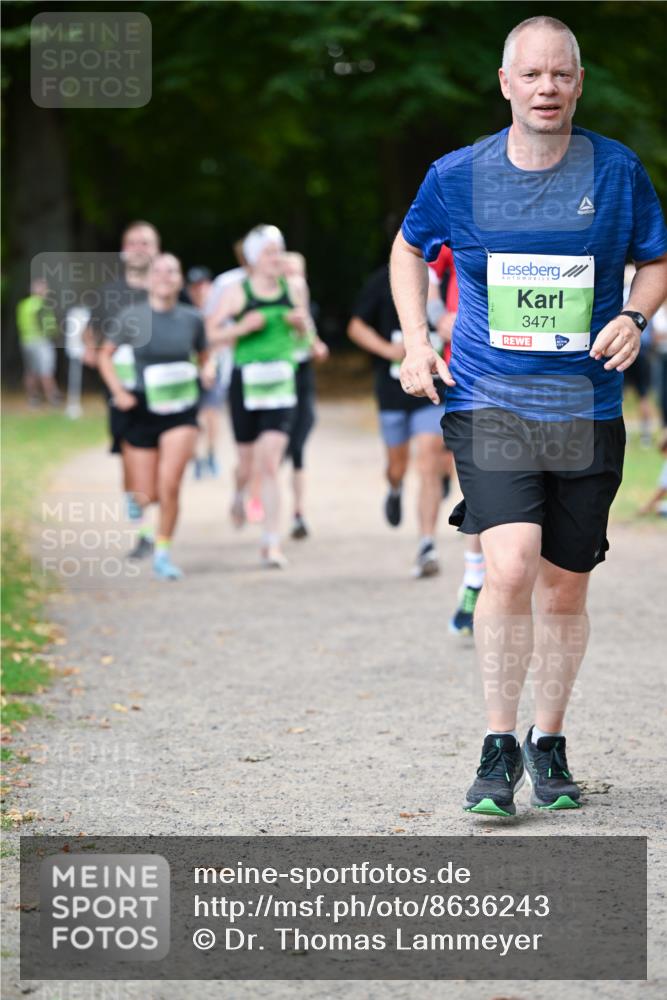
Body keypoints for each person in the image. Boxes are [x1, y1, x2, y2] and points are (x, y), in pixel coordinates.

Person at [391, 15, 667, 815]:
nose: (546, 87)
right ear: (505, 83)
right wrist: (416, 342)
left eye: (560, 74)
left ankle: (548, 741)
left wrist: (635, 316)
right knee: (509, 565)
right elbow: (409, 248)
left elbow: (654, 260)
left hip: (585, 406)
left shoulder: (615, 171)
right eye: (532, 74)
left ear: (577, 83)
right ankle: (496, 746)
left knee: (563, 589)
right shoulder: (456, 174)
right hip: (490, 400)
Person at [205, 225, 311, 568]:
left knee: (270, 463)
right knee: (247, 463)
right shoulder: (237, 292)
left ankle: (271, 542)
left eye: (278, 250)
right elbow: (210, 332)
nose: (276, 257)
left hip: (281, 382)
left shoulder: (293, 287)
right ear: (252, 258)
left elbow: (306, 332)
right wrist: (242, 327)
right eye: (268, 252)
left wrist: (301, 326)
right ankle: (238, 492)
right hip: (246, 382)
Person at [98, 254, 207, 580]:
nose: (164, 277)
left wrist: (209, 369)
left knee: (169, 485)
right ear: (147, 280)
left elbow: (205, 355)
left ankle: (162, 553)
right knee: (147, 494)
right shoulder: (132, 316)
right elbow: (105, 356)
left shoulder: (192, 318)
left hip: (180, 409)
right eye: (158, 271)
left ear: (180, 279)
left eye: (171, 271)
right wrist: (119, 392)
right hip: (141, 408)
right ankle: (137, 506)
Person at [348, 265, 446, 578]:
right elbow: (356, 326)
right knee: (397, 466)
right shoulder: (384, 279)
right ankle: (394, 487)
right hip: (393, 391)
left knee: (429, 459)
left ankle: (427, 544)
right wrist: (387, 349)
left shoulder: (449, 277)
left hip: (434, 392)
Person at [87, 220, 161, 558]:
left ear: (157, 249)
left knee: (163, 462)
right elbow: (91, 337)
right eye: (133, 242)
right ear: (123, 250)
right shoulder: (107, 293)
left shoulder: (168, 289)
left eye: (146, 242)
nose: (140, 248)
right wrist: (95, 354)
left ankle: (157, 518)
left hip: (164, 391)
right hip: (123, 390)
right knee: (132, 459)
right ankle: (144, 530)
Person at [282, 251, 329, 539]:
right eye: (287, 272)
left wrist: (315, 344)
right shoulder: (271, 304)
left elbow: (314, 343)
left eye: (297, 272)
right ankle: (251, 492)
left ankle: (298, 512)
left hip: (300, 373)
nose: (293, 279)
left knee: (299, 440)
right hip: (275, 376)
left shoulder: (305, 305)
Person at [16, 278, 60, 406]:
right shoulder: (43, 305)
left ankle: (33, 398)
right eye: (45, 289)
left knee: (30, 371)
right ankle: (53, 398)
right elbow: (49, 327)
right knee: (46, 370)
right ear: (40, 290)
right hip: (41, 342)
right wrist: (57, 333)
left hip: (26, 341)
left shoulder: (23, 305)